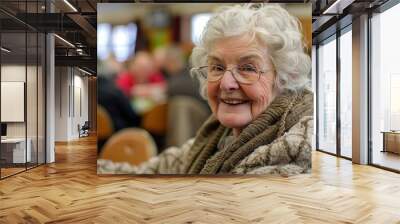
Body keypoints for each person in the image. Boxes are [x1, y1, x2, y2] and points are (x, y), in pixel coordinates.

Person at [98, 3, 313, 176]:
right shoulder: (216, 137)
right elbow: (145, 174)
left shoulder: (297, 149)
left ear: (284, 78)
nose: (226, 83)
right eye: (217, 67)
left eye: (248, 68)